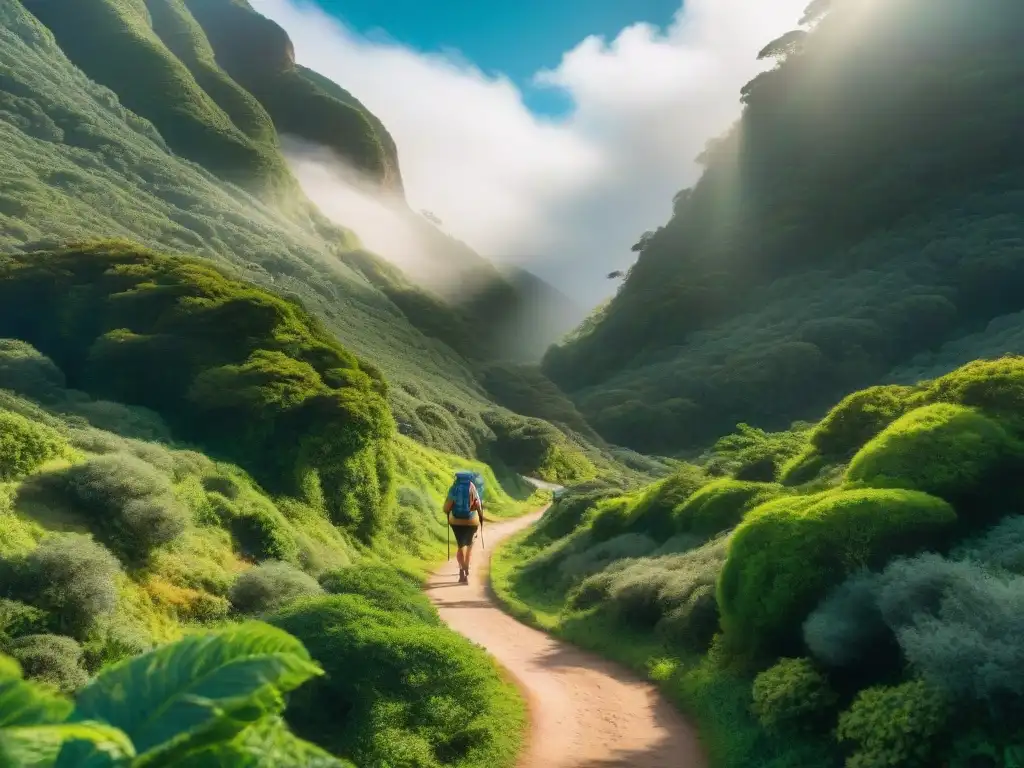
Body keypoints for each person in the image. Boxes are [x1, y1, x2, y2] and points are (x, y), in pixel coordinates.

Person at [445, 472, 484, 584]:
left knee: (460, 546)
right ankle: (466, 567)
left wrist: (448, 511)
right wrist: (481, 517)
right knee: (469, 546)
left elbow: (446, 507)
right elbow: (478, 505)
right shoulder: (472, 487)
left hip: (456, 522)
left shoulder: (454, 487)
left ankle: (461, 570)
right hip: (471, 521)